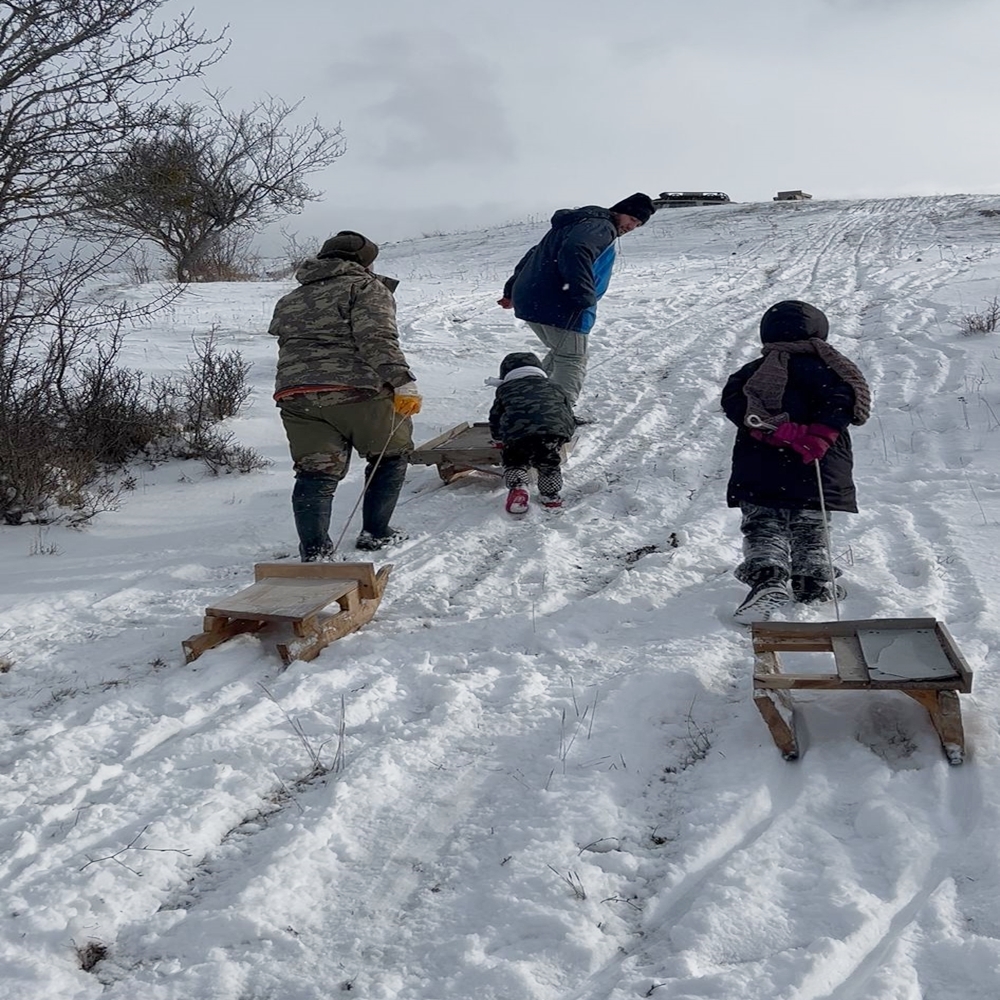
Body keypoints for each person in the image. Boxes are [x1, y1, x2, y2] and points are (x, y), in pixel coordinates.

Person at [268, 230, 422, 561]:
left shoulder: (291, 297)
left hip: (297, 395)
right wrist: (402, 381)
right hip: (356, 391)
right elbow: (377, 338)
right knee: (390, 454)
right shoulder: (366, 288)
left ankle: (315, 549)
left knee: (315, 472)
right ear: (366, 262)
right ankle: (376, 533)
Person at [721, 300, 871, 622]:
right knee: (811, 528)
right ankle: (812, 581)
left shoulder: (751, 373)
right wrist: (818, 436)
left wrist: (772, 432)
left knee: (764, 525)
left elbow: (735, 403)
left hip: (761, 466)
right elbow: (844, 402)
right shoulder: (834, 370)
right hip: (815, 467)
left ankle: (767, 580)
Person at [497, 193, 655, 408]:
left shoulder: (581, 222)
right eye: (632, 219)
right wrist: (582, 295)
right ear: (619, 211)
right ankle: (555, 415)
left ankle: (532, 403)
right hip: (560, 303)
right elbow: (575, 251)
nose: (632, 226)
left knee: (560, 353)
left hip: (536, 299)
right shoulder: (601, 226)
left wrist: (511, 290)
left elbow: (533, 253)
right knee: (572, 359)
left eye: (638, 224)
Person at [487, 351, 576, 514]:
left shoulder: (505, 389)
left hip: (517, 433)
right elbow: (567, 412)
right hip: (553, 431)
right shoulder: (554, 386)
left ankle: (519, 486)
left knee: (515, 460)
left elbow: (495, 416)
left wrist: (499, 438)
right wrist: (565, 433)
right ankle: (551, 496)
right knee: (549, 462)